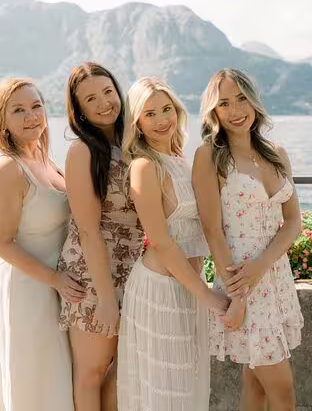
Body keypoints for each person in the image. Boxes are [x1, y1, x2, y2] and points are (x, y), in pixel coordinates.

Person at [193, 69, 304, 411]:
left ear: (254, 100)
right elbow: (212, 231)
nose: (235, 109)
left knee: (256, 386)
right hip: (240, 281)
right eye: (224, 103)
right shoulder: (210, 156)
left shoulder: (276, 153)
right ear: (213, 111)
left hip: (273, 276)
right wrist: (238, 294)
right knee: (282, 391)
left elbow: (292, 222)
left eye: (241, 98)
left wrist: (262, 265)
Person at [117, 77, 228, 411]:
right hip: (161, 289)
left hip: (191, 286)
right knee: (165, 393)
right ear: (136, 122)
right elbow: (162, 242)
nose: (162, 119)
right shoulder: (143, 166)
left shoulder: (182, 160)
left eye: (167, 109)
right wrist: (207, 295)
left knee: (189, 387)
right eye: (150, 113)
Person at [0, 78, 85, 411]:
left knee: (52, 375)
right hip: (27, 286)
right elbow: (1, 243)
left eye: (36, 106)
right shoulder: (6, 168)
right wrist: (54, 279)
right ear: (3, 121)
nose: (31, 116)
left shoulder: (44, 157)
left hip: (56, 285)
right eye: (19, 110)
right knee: (30, 377)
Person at [57, 63, 145, 411]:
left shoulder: (135, 143)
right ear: (80, 110)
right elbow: (89, 231)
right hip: (94, 274)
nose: (104, 103)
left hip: (135, 269)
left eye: (107, 92)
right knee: (92, 372)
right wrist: (106, 299)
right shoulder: (83, 151)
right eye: (91, 99)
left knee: (127, 370)